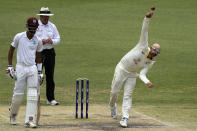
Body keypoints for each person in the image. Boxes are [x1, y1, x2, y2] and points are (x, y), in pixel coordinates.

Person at [109, 11, 161, 128]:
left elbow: (142, 74)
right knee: (114, 92)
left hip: (132, 74)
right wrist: (146, 19)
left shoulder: (150, 62)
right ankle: (112, 106)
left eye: (157, 52)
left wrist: (147, 82)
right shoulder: (143, 45)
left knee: (128, 96)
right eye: (155, 50)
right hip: (121, 68)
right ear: (151, 48)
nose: (155, 52)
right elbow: (144, 31)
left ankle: (125, 118)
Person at [6, 17, 43, 128]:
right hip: (20, 67)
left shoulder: (38, 40)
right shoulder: (19, 37)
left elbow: (39, 57)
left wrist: (40, 72)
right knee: (18, 94)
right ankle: (13, 115)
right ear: (27, 27)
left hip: (32, 68)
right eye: (31, 28)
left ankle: (29, 120)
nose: (33, 30)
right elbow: (11, 50)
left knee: (32, 94)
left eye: (35, 28)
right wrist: (10, 66)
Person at [36, 7, 61, 105]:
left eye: (48, 16)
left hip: (50, 52)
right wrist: (41, 41)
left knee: (50, 76)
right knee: (36, 75)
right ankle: (35, 97)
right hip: (38, 53)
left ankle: (50, 99)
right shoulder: (36, 25)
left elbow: (58, 38)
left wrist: (52, 41)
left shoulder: (52, 26)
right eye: (44, 16)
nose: (46, 18)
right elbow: (32, 38)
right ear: (41, 16)